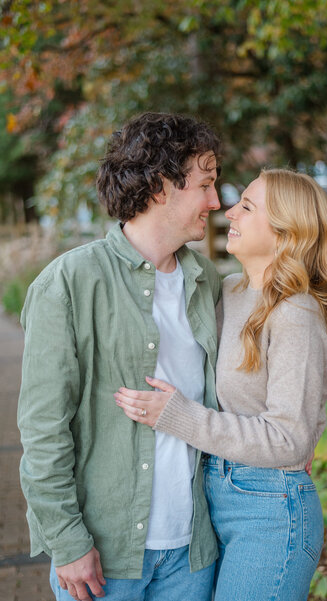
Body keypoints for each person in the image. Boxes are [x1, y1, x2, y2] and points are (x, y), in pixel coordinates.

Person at [17, 112, 223, 601]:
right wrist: (67, 542)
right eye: (205, 185)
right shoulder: (69, 284)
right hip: (104, 558)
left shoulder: (208, 282)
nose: (216, 202)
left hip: (193, 553)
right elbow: (44, 429)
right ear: (159, 187)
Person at [114, 168, 327, 601]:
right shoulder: (228, 291)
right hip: (213, 498)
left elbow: (287, 438)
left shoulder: (296, 315)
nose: (228, 210)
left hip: (270, 511)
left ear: (285, 232)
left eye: (247, 206)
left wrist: (178, 417)